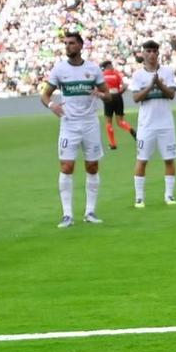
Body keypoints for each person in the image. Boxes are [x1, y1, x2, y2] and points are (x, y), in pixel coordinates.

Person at [42, 31, 109, 227]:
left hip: (90, 124)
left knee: (92, 166)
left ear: (80, 45)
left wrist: (100, 94)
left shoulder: (93, 69)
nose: (68, 46)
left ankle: (90, 211)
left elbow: (108, 95)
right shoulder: (59, 69)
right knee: (66, 167)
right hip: (69, 124)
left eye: (71, 43)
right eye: (66, 43)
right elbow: (45, 95)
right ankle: (67, 215)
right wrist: (51, 105)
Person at [130, 39, 176, 208]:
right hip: (146, 124)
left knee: (169, 159)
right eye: (147, 51)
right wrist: (151, 86)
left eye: (153, 51)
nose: (151, 54)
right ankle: (139, 197)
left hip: (165, 123)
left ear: (158, 54)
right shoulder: (138, 75)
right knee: (142, 160)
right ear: (143, 54)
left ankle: (169, 195)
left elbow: (171, 94)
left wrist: (160, 85)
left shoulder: (167, 72)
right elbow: (135, 98)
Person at [100, 57, 136, 150]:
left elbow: (99, 88)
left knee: (108, 122)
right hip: (118, 96)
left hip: (108, 97)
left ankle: (113, 144)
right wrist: (119, 93)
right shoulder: (116, 74)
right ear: (110, 66)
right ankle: (131, 130)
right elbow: (124, 86)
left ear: (104, 67)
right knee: (120, 121)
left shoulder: (102, 75)